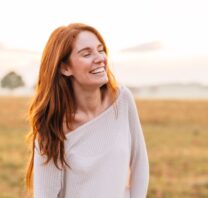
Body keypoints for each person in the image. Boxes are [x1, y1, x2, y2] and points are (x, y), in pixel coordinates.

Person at [25, 23, 149, 198]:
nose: (100, 58)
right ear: (65, 68)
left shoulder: (122, 100)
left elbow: (139, 163)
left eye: (101, 50)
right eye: (87, 54)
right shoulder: (52, 128)